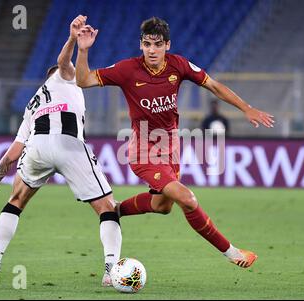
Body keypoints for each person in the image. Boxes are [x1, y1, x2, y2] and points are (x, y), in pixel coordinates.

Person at [75, 17, 274, 269]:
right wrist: (82, 50)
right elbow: (83, 80)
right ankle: (233, 252)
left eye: (157, 44)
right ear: (141, 45)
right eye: (147, 44)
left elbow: (213, 85)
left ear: (167, 45)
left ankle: (114, 211)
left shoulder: (178, 65)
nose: (151, 50)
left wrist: (247, 108)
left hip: (170, 148)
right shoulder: (127, 70)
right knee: (187, 198)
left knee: (162, 205)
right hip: (143, 150)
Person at [0, 15, 121, 287]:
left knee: (16, 200)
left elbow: (8, 158)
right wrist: (73, 39)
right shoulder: (64, 77)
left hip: (38, 147)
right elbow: (62, 63)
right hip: (68, 145)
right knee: (108, 208)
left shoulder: (32, 105)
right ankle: (111, 270)